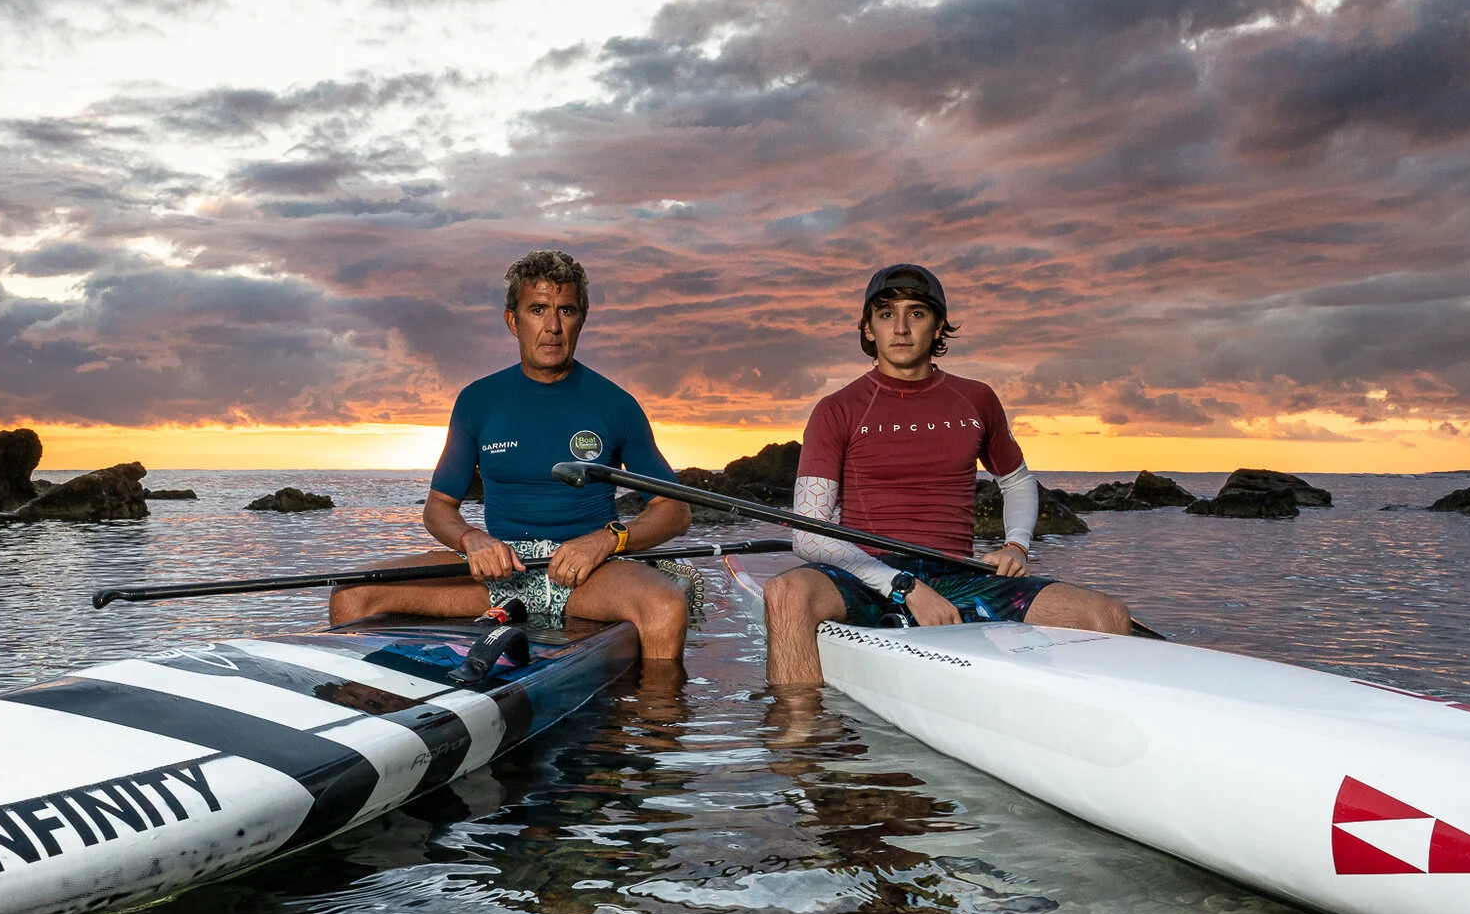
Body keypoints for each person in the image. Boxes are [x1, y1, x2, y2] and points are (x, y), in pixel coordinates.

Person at [761, 263, 1132, 685]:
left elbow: (1016, 481)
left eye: (916, 314)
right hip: (865, 574)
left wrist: (1017, 546)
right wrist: (905, 587)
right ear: (868, 330)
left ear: (938, 328)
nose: (901, 328)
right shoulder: (837, 409)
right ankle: (797, 741)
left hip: (957, 575)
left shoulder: (976, 398)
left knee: (1104, 615)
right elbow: (809, 535)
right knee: (786, 594)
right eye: (886, 315)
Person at [329, 249, 694, 659]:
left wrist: (606, 540)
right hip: (499, 570)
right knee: (353, 594)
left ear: (582, 319)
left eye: (566, 310)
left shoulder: (616, 405)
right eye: (538, 309)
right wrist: (472, 541)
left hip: (587, 573)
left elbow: (675, 510)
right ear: (513, 320)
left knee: (665, 606)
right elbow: (438, 508)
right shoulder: (477, 401)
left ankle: (658, 718)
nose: (553, 326)